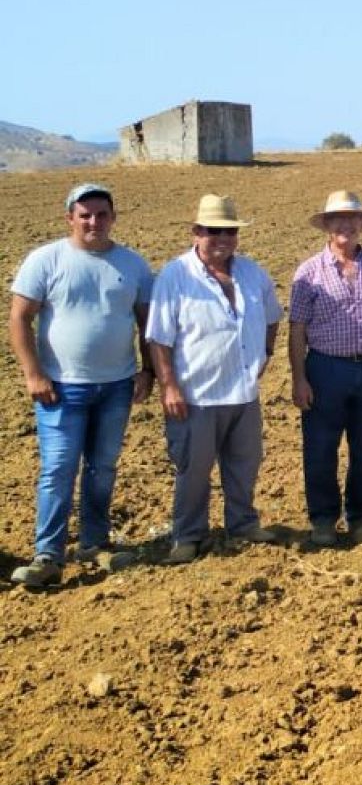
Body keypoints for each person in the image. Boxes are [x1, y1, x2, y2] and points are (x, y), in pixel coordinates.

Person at [9, 183, 154, 586]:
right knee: (58, 469)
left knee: (102, 468)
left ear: (113, 217)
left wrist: (148, 371)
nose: (94, 222)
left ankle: (94, 544)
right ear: (70, 218)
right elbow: (19, 319)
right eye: (85, 215)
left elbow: (147, 323)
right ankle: (48, 554)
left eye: (102, 214)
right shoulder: (46, 260)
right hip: (60, 387)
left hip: (117, 385)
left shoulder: (133, 264)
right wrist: (33, 374)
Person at [145, 195, 283, 565]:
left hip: (243, 392)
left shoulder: (253, 273)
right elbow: (158, 337)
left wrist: (266, 354)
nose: (223, 237)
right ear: (196, 232)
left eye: (230, 231)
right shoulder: (175, 276)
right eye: (213, 231)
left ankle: (242, 523)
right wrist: (169, 386)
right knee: (194, 470)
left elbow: (272, 316)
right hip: (196, 395)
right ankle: (188, 535)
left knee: (244, 464)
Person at [288, 192, 362, 547]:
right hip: (325, 368)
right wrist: (299, 378)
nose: (345, 226)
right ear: (326, 225)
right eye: (337, 219)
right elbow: (297, 330)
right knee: (321, 448)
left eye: (351, 220)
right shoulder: (309, 272)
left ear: (361, 226)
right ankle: (323, 519)